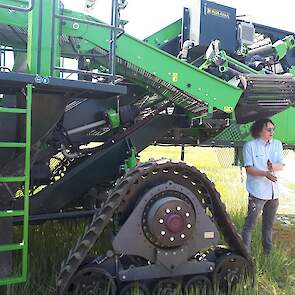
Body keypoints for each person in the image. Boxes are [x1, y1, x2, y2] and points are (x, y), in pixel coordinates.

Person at [241, 118, 285, 255]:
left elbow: (281, 165)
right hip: (257, 193)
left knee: (268, 226)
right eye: (269, 129)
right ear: (259, 130)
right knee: (250, 225)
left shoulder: (277, 144)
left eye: (273, 129)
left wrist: (273, 167)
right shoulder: (250, 146)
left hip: (273, 193)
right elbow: (248, 168)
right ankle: (245, 255)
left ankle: (267, 253)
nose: (272, 132)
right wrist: (265, 173)